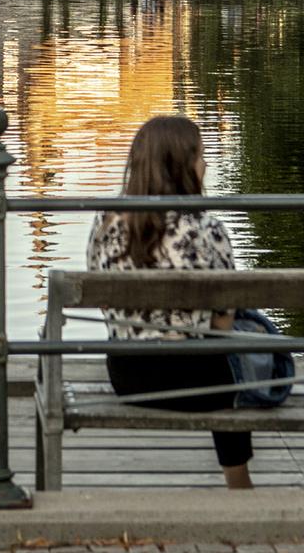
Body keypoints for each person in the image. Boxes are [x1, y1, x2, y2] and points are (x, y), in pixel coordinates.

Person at [86, 115, 254, 489]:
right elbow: (224, 325)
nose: (206, 164)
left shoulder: (106, 221)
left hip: (127, 376)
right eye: (200, 156)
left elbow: (103, 302)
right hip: (198, 381)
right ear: (181, 165)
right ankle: (239, 483)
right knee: (227, 357)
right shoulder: (203, 226)